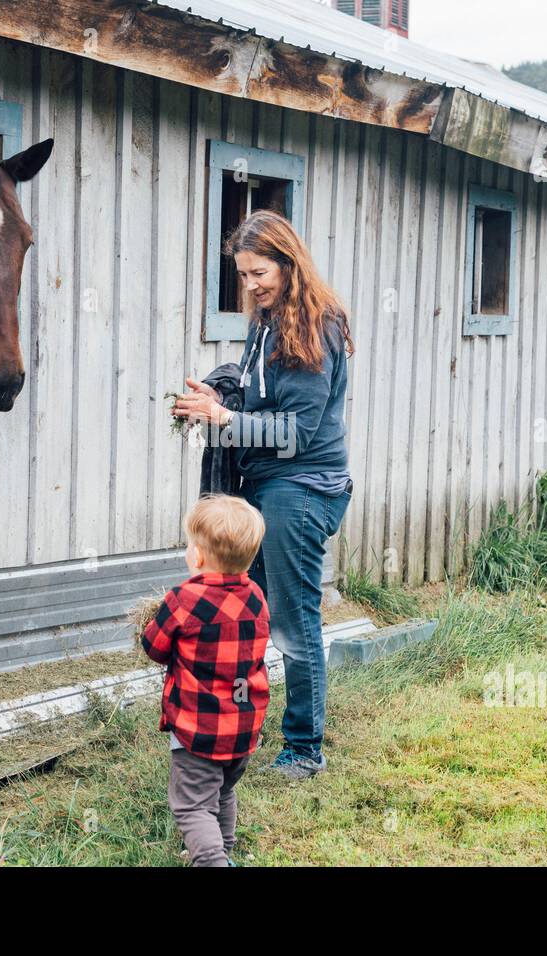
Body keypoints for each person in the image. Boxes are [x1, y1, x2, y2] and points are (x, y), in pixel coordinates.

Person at [173, 209, 355, 781]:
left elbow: (296, 432)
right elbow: (260, 403)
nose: (251, 286)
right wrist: (218, 397)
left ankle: (304, 747)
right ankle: (239, 724)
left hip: (301, 488)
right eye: (244, 276)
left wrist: (224, 416)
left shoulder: (316, 325)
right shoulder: (268, 320)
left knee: (294, 619)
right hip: (265, 485)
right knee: (250, 611)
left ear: (287, 261)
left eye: (260, 273)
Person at [140, 494, 270, 867]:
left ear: (197, 557)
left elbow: (153, 646)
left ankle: (211, 859)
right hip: (244, 726)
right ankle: (222, 850)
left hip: (199, 728)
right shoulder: (257, 597)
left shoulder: (183, 599)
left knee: (193, 805)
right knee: (223, 790)